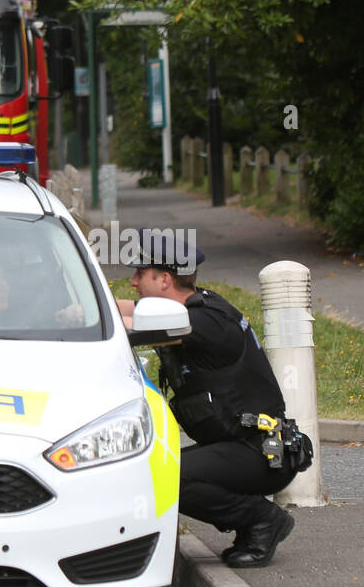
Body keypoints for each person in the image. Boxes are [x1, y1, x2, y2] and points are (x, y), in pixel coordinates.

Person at [116, 231, 297, 568]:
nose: (133, 281)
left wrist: (87, 323)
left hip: (260, 451)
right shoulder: (193, 308)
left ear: (165, 279)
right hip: (239, 446)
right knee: (158, 471)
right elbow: (125, 310)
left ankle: (263, 520)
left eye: (141, 274)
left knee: (168, 478)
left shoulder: (205, 322)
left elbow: (126, 326)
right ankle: (252, 524)